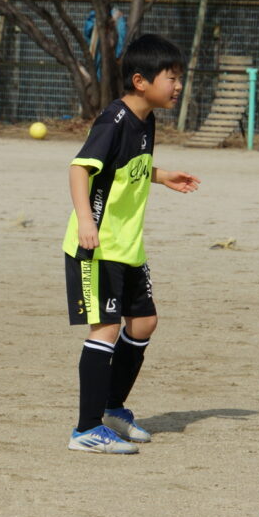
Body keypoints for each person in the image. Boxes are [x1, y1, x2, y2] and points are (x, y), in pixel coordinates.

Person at [63, 34, 200, 454]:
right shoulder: (114, 120)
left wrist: (163, 176)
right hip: (98, 247)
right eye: (171, 78)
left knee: (143, 324)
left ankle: (111, 408)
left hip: (128, 246)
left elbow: (127, 167)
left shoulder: (146, 120)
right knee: (105, 329)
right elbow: (80, 169)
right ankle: (86, 430)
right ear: (141, 81)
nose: (178, 86)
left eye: (179, 77)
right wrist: (86, 220)